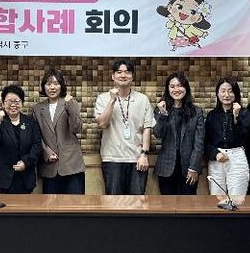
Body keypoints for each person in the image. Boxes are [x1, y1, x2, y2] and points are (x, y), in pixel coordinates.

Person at [94, 59, 154, 195]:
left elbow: (147, 128)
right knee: (113, 203)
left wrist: (144, 154)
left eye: (127, 72)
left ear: (132, 76)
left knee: (137, 202)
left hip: (137, 159)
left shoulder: (142, 99)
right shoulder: (103, 98)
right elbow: (102, 123)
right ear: (113, 76)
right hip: (112, 159)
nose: (123, 75)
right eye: (119, 72)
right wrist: (112, 100)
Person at [32, 68, 85, 194]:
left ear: (61, 86)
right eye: (48, 84)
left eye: (56, 83)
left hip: (71, 165)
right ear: (44, 87)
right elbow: (35, 136)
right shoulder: (37, 109)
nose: (52, 87)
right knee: (51, 205)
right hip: (49, 167)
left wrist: (71, 105)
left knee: (75, 203)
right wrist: (46, 152)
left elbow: (77, 128)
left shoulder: (70, 103)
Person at [153, 72, 205, 195]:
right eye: (172, 86)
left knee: (188, 204)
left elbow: (199, 143)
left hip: (189, 167)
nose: (176, 89)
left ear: (186, 88)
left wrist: (194, 167)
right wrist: (163, 114)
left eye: (180, 85)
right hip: (166, 167)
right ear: (168, 89)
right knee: (167, 204)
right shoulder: (160, 109)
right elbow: (158, 134)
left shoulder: (196, 112)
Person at [0, 84, 42, 194]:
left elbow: (37, 145)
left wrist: (26, 162)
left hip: (25, 177)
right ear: (3, 104)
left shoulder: (29, 121)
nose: (13, 105)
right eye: (9, 101)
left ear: (22, 103)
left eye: (17, 101)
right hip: (3, 178)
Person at [204, 77, 250, 197]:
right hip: (217, 159)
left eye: (230, 91)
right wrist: (215, 154)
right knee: (217, 198)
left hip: (237, 158)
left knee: (236, 199)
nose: (226, 95)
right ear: (217, 93)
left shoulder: (244, 113)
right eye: (223, 91)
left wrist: (235, 117)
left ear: (236, 93)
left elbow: (242, 137)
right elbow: (206, 140)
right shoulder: (212, 115)